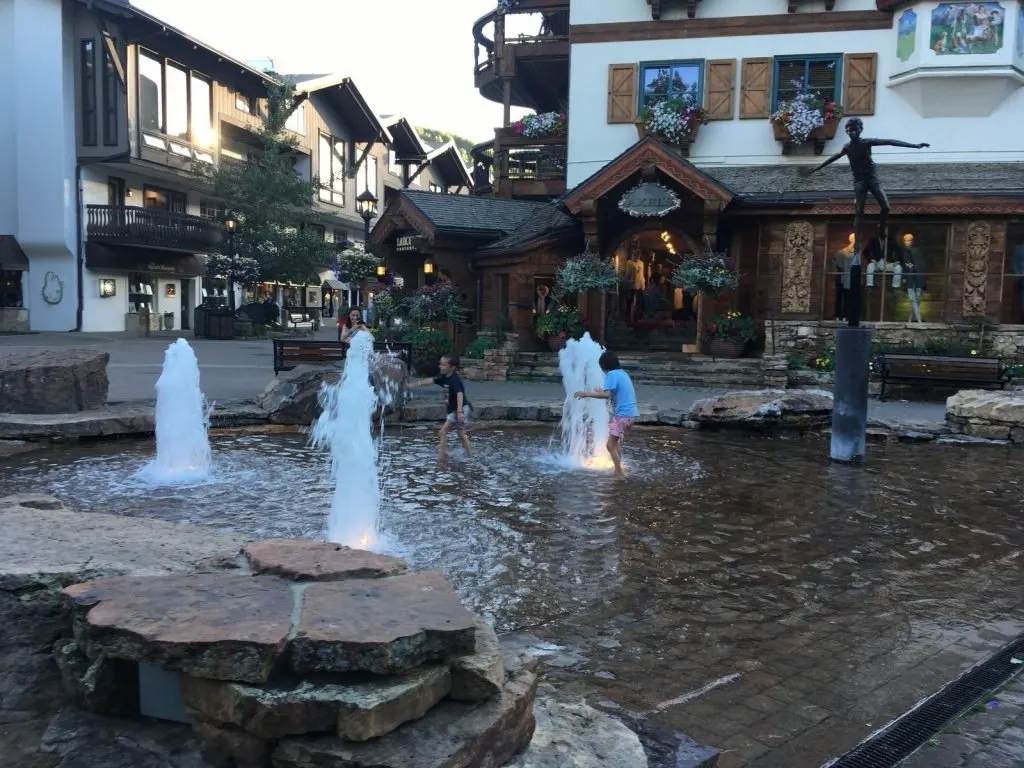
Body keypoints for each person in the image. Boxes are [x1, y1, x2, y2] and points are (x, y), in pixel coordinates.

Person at [574, 350, 639, 478]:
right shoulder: (622, 373)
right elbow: (612, 393)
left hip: (623, 415)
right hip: (631, 415)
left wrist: (587, 393)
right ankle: (619, 466)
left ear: (604, 366)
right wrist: (601, 391)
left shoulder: (611, 374)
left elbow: (607, 395)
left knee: (610, 445)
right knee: (616, 443)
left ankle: (618, 472)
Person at [404, 354, 472, 463]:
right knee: (461, 435)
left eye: (444, 365)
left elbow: (460, 394)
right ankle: (469, 457)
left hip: (459, 410)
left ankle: (441, 459)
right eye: (440, 364)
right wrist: (412, 385)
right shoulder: (444, 377)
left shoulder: (454, 380)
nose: (440, 366)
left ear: (452, 367)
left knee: (443, 432)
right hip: (455, 410)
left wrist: (459, 412)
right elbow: (430, 381)